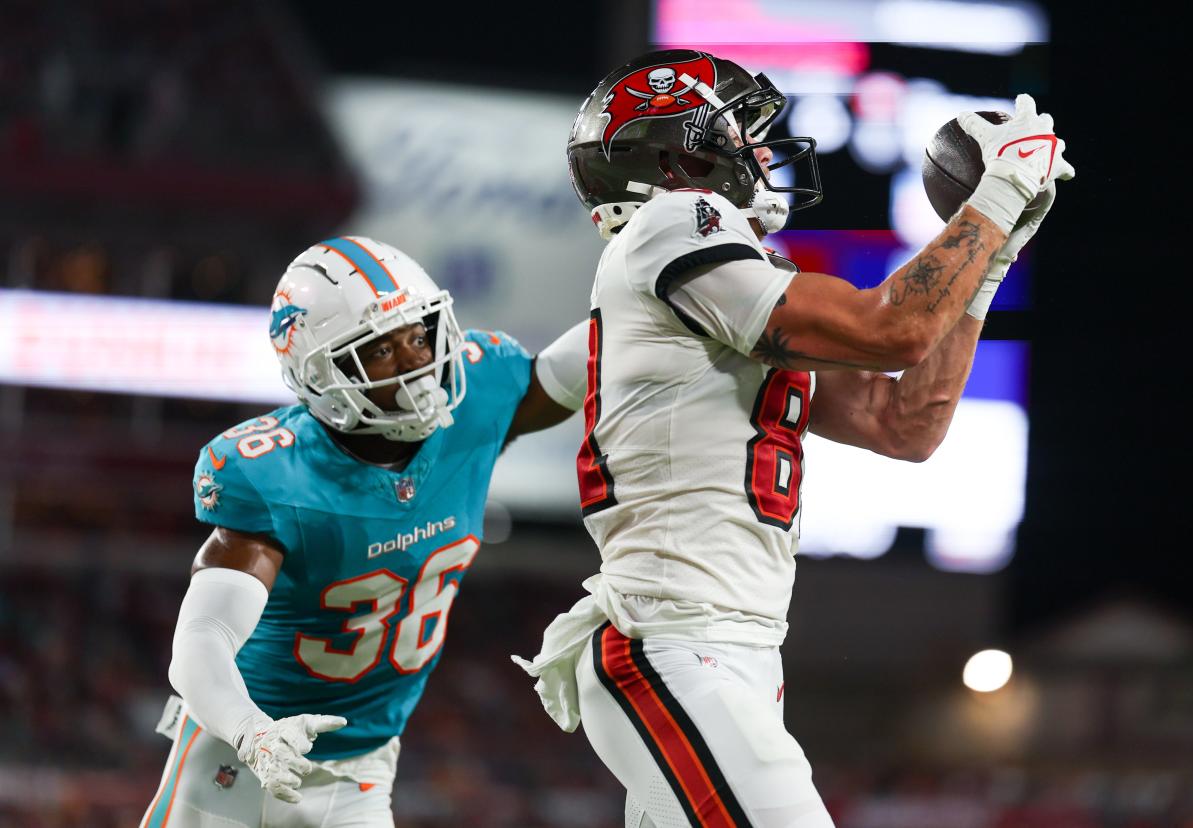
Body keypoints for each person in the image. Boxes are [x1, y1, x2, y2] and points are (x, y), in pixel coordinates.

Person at [515, 49, 1073, 827]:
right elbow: (894, 330)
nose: (758, 151)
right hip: (674, 640)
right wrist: (995, 197)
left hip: (732, 651)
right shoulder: (675, 222)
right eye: (739, 132)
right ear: (683, 153)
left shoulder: (717, 279)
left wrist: (989, 260)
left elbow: (904, 423)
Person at [141, 236, 588, 827]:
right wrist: (252, 732)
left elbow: (589, 357)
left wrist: (658, 273)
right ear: (321, 376)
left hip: (364, 768)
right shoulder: (275, 471)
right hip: (239, 754)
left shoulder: (479, 398)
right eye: (380, 351)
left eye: (419, 334)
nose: (416, 362)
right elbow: (203, 636)